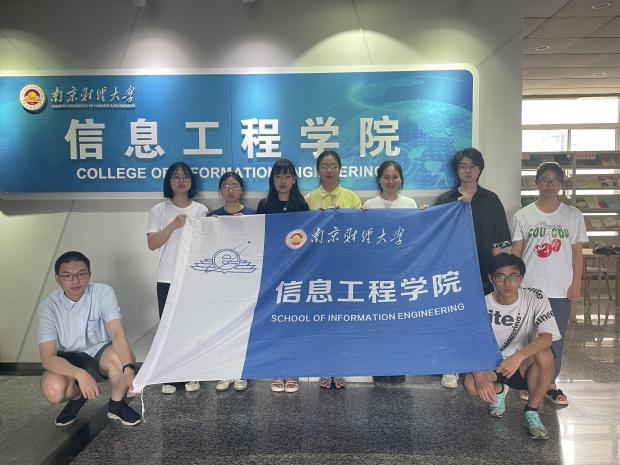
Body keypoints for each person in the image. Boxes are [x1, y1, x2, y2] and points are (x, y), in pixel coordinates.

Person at [512, 162, 587, 406]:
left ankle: (550, 384)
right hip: (529, 287)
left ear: (561, 184)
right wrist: (514, 284)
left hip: (560, 288)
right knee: (529, 337)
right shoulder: (523, 215)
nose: (549, 185)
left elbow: (577, 253)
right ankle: (528, 382)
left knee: (555, 339)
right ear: (537, 182)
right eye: (544, 180)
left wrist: (576, 284)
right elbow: (516, 253)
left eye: (555, 180)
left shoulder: (573, 215)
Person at [463, 253, 560, 440]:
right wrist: (478, 373)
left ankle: (532, 410)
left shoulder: (535, 297)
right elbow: (469, 342)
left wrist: (518, 356)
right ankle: (500, 390)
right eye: (500, 276)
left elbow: (547, 337)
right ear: (491, 278)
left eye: (513, 276)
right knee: (470, 385)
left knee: (545, 354)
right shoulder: (480, 304)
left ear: (521, 278)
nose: (507, 283)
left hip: (522, 364)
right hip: (492, 363)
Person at [436, 148, 511, 389]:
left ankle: (481, 365)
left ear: (480, 169)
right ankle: (452, 366)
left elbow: (498, 242)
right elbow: (435, 238)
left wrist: (498, 274)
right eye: (463, 166)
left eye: (472, 166)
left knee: (482, 321)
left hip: (483, 272)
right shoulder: (446, 200)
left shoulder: (491, 200)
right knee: (452, 318)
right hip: (452, 274)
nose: (468, 171)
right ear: (456, 170)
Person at [38, 251, 141, 427]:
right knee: (53, 390)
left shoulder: (103, 292)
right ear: (57, 278)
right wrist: (81, 375)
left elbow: (117, 333)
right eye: (67, 275)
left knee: (122, 357)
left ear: (89, 275)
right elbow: (48, 358)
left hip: (100, 353)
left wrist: (129, 367)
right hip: (68, 357)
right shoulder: (48, 307)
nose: (75, 280)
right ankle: (78, 396)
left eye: (81, 274)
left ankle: (116, 405)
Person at [147, 161, 208, 394]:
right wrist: (173, 225)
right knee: (168, 328)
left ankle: (191, 373)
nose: (181, 181)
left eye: (185, 177)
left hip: (192, 277)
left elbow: (206, 244)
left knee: (191, 327)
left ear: (191, 181)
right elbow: (152, 243)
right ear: (169, 181)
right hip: (167, 277)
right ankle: (169, 375)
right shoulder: (159, 210)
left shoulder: (200, 210)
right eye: (176, 177)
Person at [305, 151, 361, 389]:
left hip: (344, 267)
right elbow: (302, 232)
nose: (329, 170)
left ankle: (339, 368)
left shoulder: (351, 197)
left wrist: (345, 218)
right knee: (321, 320)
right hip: (317, 268)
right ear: (317, 170)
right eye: (324, 166)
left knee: (342, 319)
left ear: (340, 169)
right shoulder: (309, 198)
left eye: (333, 165)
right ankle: (324, 367)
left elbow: (361, 229)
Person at [257, 159, 309, 393]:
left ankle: (292, 370)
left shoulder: (302, 204)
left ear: (294, 179)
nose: (283, 181)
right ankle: (277, 369)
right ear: (272, 179)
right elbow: (257, 234)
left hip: (296, 272)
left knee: (293, 323)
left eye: (287, 176)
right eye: (278, 176)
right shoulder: (265, 204)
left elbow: (308, 236)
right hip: (272, 272)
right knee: (275, 322)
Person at [364, 160, 416, 384]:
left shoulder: (409, 203)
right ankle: (379, 366)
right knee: (378, 322)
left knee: (399, 321)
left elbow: (415, 236)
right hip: (376, 273)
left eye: (395, 177)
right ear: (379, 179)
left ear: (401, 179)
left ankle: (398, 366)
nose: (391, 181)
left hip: (401, 272)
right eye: (386, 177)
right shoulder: (369, 204)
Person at [208, 171, 255, 392]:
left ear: (241, 190)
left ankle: (242, 372)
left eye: (234, 186)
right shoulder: (211, 216)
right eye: (226, 186)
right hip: (221, 281)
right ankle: (224, 371)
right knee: (222, 327)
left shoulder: (253, 214)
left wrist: (246, 224)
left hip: (245, 280)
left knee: (243, 327)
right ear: (220, 190)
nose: (230, 190)